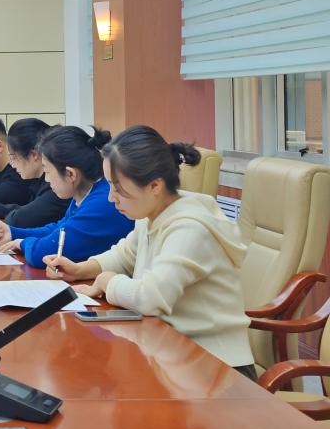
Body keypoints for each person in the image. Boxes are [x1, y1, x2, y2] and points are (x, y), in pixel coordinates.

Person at [44, 125, 255, 376]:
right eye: (110, 185)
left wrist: (107, 281)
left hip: (218, 367)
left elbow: (151, 298)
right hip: (174, 353)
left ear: (154, 185)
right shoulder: (151, 215)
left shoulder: (190, 229)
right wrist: (80, 269)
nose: (111, 198)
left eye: (118, 188)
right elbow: (124, 255)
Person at [0, 125, 131, 268]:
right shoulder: (86, 192)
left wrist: (22, 243)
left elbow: (43, 252)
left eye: (47, 171)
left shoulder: (102, 202)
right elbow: (59, 230)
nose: (47, 180)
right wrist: (13, 232)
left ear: (70, 174)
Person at [0, 117, 69, 228]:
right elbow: (26, 209)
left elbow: (19, 219)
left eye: (13, 157)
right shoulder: (38, 181)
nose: (12, 164)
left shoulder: (57, 184)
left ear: (33, 155)